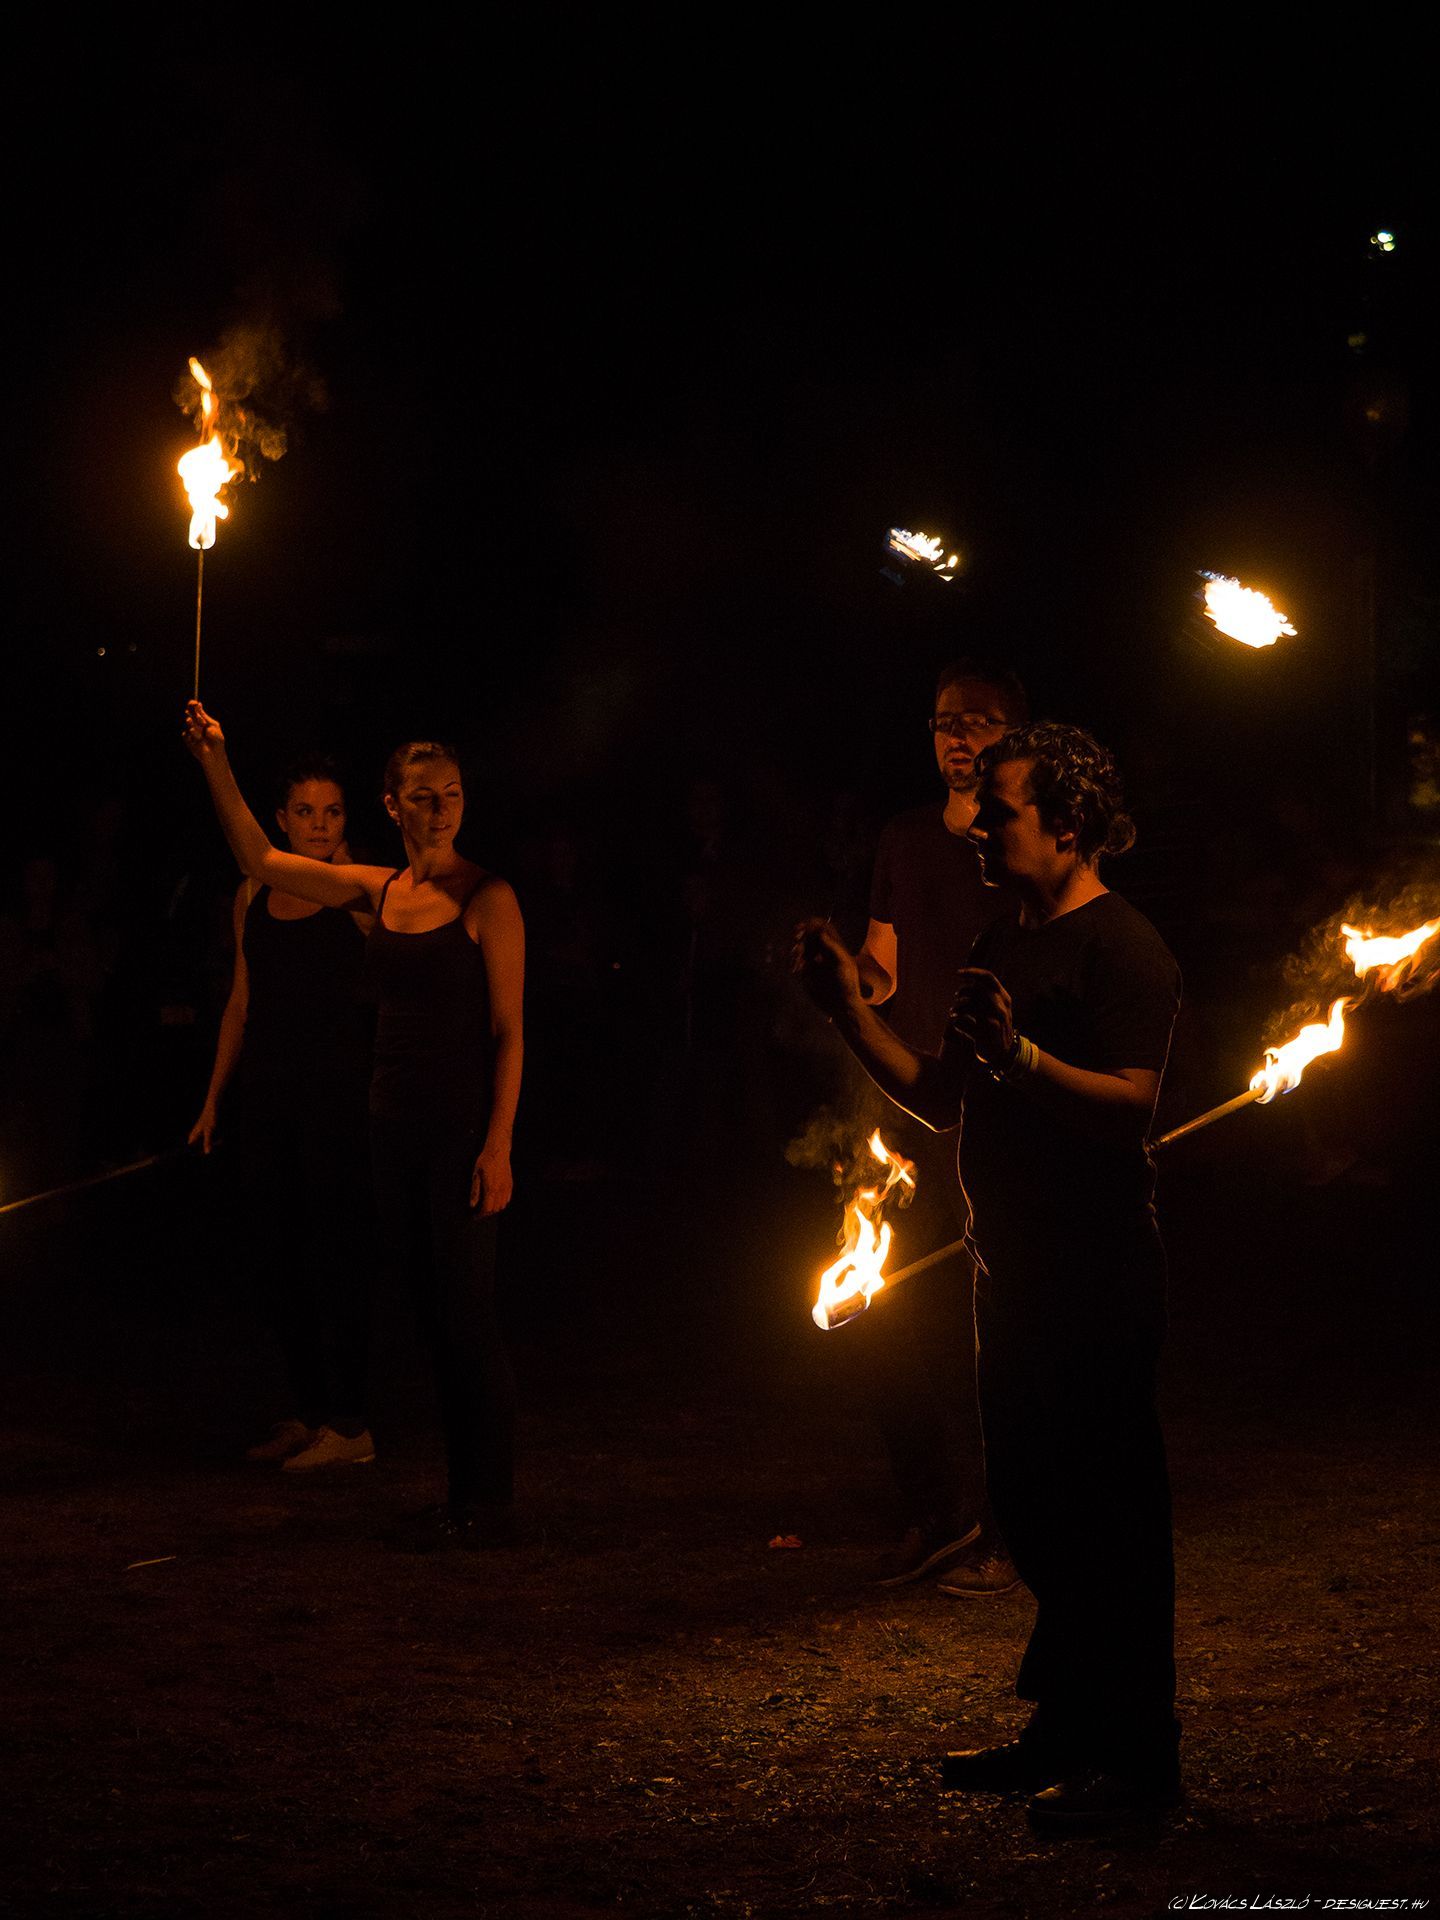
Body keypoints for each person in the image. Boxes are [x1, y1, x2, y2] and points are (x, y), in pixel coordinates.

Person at [795, 721, 1183, 1834]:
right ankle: (1066, 1731)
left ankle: (1138, 1765)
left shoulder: (1126, 949)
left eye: (999, 811)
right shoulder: (1002, 939)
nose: (974, 826)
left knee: (1110, 1517)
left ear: (1068, 825)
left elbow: (1132, 1106)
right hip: (1005, 1271)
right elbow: (941, 1095)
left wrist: (1023, 1056)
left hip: (1095, 1278)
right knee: (1032, 1502)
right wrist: (848, 1008)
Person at [183, 702, 526, 1552]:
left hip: (457, 1132)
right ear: (392, 805)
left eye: (452, 793)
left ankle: (490, 1499)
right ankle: (463, 1496)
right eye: (423, 796)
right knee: (428, 1312)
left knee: (467, 1315)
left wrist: (498, 1144)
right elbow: (261, 860)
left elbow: (509, 1031)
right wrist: (215, 761)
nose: (440, 809)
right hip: (390, 1128)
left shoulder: (487, 897)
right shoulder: (381, 891)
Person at [851, 659, 1027, 1595]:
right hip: (909, 1113)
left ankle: (1005, 1525)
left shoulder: (1026, 843)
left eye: (978, 720)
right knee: (876, 1308)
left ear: (1013, 735)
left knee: (988, 1329)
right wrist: (845, 983)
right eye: (944, 722)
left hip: (997, 1108)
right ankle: (937, 1506)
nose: (957, 736)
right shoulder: (906, 837)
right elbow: (883, 962)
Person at [188, 756, 376, 1471]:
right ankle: (306, 1410)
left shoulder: (357, 890)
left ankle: (351, 1423)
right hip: (270, 1096)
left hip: (336, 1097)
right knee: (278, 1256)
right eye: (306, 812)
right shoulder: (252, 893)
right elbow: (241, 1001)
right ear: (280, 821)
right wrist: (213, 1098)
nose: (320, 825)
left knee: (339, 1253)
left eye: (332, 812)